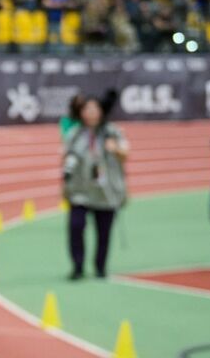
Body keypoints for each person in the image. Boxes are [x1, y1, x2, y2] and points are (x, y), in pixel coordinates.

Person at [62, 90, 127, 280]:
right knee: (76, 226)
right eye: (87, 109)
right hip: (80, 190)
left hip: (105, 192)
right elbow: (67, 158)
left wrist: (116, 149)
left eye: (94, 108)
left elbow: (126, 154)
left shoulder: (111, 132)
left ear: (101, 110)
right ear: (81, 112)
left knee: (104, 232)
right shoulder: (75, 134)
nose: (91, 113)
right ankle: (78, 266)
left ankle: (100, 266)